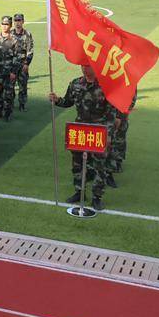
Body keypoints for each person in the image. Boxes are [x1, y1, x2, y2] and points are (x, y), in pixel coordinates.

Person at [49, 65, 119, 211]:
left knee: (100, 166)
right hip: (80, 130)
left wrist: (109, 135)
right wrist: (56, 100)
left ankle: (96, 198)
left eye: (88, 66)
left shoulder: (105, 86)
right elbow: (68, 102)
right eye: (83, 66)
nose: (85, 69)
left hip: (99, 131)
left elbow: (111, 115)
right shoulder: (75, 84)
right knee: (77, 164)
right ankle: (79, 192)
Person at [0, 15, 22, 121]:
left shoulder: (14, 40)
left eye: (7, 24)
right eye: (3, 24)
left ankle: (8, 114)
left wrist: (14, 72)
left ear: (10, 26)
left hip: (9, 72)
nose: (5, 26)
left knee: (9, 94)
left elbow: (17, 57)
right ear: (0, 25)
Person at [11, 12, 34, 111]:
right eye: (15, 20)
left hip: (22, 64)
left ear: (23, 21)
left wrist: (26, 63)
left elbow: (30, 50)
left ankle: (22, 104)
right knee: (10, 86)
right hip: (11, 65)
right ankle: (9, 104)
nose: (17, 23)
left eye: (19, 20)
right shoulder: (10, 34)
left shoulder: (27, 34)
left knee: (23, 86)